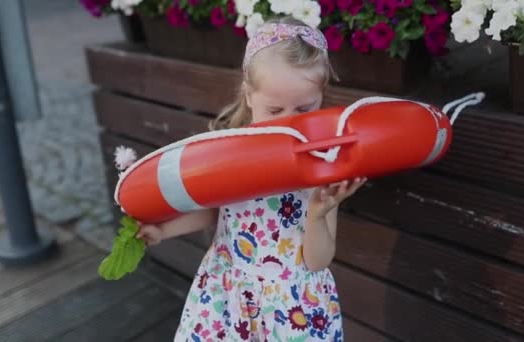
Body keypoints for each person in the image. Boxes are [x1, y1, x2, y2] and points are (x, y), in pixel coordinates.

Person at [137, 16, 367, 341]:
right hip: (227, 296)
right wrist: (162, 230)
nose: (289, 123)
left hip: (290, 308)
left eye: (303, 109)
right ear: (248, 96)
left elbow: (318, 261)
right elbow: (212, 210)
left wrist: (317, 213)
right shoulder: (231, 153)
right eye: (274, 110)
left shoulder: (323, 163)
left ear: (322, 97)